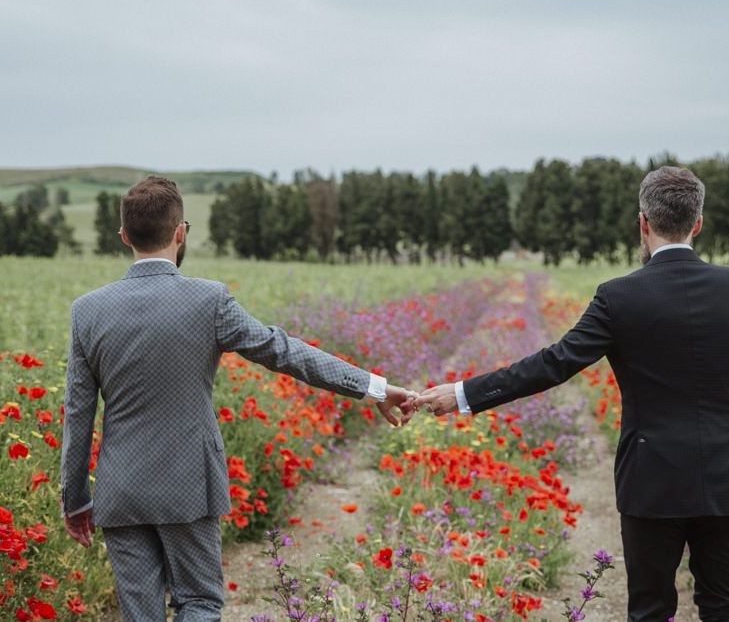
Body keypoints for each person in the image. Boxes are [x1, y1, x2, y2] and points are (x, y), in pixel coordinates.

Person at [60, 175, 416, 621]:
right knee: (200, 603)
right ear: (180, 232)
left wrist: (74, 499)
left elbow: (77, 413)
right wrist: (376, 387)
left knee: (140, 615)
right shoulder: (209, 301)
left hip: (122, 489)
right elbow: (284, 352)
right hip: (189, 483)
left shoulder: (87, 311)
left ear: (124, 236)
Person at [414, 166, 729, 622]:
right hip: (725, 476)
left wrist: (462, 394)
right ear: (698, 223)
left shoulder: (619, 297)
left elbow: (552, 364)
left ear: (642, 221)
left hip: (651, 480)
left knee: (650, 609)